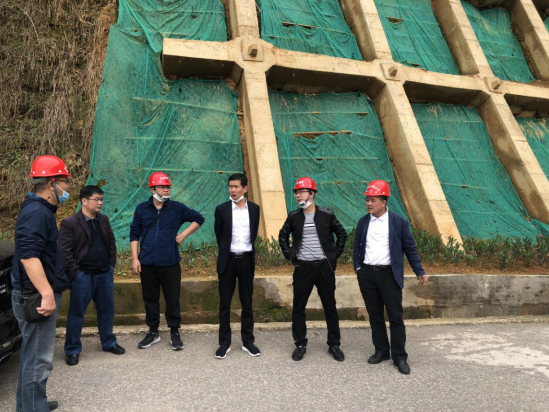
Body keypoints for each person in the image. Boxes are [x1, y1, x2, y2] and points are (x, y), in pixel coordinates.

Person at [11, 155, 71, 411]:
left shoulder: (40, 210)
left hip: (35, 293)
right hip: (35, 296)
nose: (67, 188)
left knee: (32, 356)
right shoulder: (36, 213)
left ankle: (31, 404)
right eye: (65, 182)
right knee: (39, 360)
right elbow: (28, 256)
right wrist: (47, 294)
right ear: (51, 183)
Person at [353, 180, 427, 375]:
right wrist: (359, 269)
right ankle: (381, 351)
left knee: (395, 317)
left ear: (384, 202)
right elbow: (356, 247)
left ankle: (400, 356)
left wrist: (419, 270)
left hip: (389, 275)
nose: (369, 204)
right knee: (375, 315)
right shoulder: (363, 222)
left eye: (373, 200)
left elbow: (409, 247)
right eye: (367, 200)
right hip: (367, 274)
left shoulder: (398, 222)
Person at [130, 172, 204, 350]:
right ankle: (153, 332)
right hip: (147, 263)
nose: (166, 190)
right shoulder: (142, 208)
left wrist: (183, 235)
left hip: (170, 262)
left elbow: (198, 218)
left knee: (172, 298)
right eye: (162, 187)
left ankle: (174, 332)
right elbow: (134, 234)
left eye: (168, 187)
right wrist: (135, 258)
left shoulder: (176, 208)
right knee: (150, 298)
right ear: (152, 189)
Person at [279, 177, 347, 362]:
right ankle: (300, 344)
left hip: (324, 267)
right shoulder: (294, 216)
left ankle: (334, 344)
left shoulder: (327, 214)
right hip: (303, 268)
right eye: (296, 192)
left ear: (312, 193)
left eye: (301, 192)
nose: (298, 195)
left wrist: (334, 254)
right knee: (298, 308)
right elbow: (283, 235)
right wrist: (289, 255)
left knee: (330, 307)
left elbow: (342, 234)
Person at [58, 185, 124, 366]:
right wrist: (76, 273)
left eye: (101, 199)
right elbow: (64, 251)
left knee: (107, 310)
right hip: (83, 276)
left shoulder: (103, 219)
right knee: (77, 313)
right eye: (97, 199)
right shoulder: (70, 223)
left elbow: (111, 243)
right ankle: (72, 350)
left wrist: (110, 266)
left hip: (104, 274)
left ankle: (109, 342)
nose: (100, 203)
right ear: (84, 201)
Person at [213, 173, 260, 359]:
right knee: (225, 303)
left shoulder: (254, 209)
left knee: (247, 302)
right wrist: (228, 252)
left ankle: (248, 341)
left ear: (245, 188)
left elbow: (253, 234)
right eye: (230, 186)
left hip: (247, 260)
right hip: (228, 261)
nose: (232, 190)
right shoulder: (221, 209)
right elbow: (220, 236)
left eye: (236, 187)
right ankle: (224, 343)